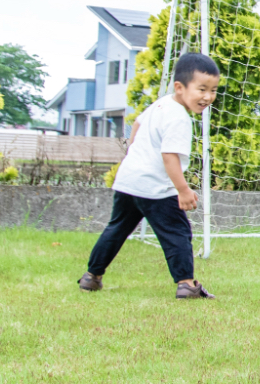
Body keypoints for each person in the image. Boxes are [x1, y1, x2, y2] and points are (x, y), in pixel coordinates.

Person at [77, 53, 220, 299]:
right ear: (180, 87)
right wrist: (183, 190)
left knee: (117, 228)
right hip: (155, 187)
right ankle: (186, 284)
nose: (208, 97)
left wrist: (133, 155)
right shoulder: (179, 118)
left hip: (128, 180)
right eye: (202, 89)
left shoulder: (161, 104)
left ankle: (92, 277)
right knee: (177, 232)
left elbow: (137, 125)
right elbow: (169, 157)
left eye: (214, 90)